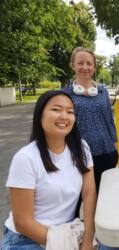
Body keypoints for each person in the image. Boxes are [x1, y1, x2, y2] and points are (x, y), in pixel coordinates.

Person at [1, 90, 96, 249]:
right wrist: (66, 244)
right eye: (56, 109)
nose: (64, 116)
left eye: (70, 111)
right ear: (40, 115)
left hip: (65, 229)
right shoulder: (25, 158)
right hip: (27, 238)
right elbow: (23, 222)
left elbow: (89, 192)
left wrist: (88, 238)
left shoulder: (81, 148)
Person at [63, 47, 118, 194]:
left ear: (94, 66)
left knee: (104, 195)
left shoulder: (102, 92)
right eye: (80, 63)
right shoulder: (65, 94)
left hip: (106, 151)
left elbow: (109, 119)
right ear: (73, 65)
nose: (85, 67)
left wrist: (115, 143)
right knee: (79, 197)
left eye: (89, 63)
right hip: (77, 154)